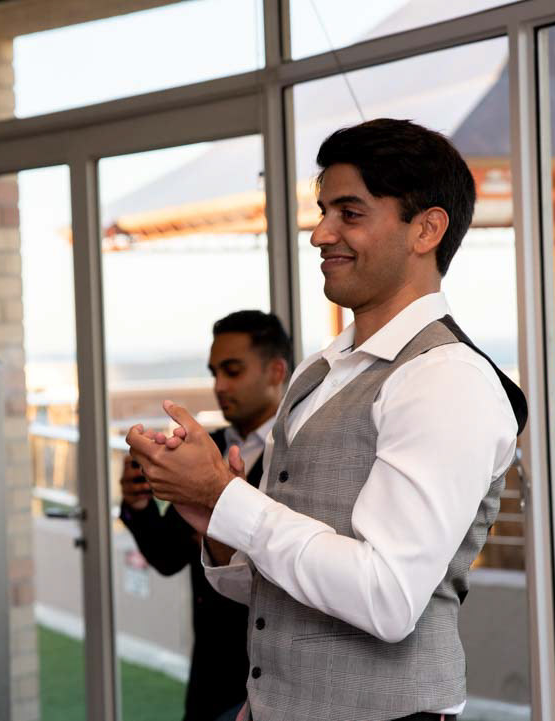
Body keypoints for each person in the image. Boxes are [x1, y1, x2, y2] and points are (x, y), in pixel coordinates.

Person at [127, 118, 528, 721]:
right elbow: (276, 588)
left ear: (426, 229)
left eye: (350, 213)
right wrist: (214, 515)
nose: (320, 234)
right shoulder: (317, 372)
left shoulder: (446, 378)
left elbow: (387, 599)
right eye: (323, 211)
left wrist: (228, 497)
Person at [119, 310, 291, 721]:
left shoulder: (298, 451)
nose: (219, 386)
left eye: (233, 370)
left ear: (276, 371)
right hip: (210, 673)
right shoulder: (203, 448)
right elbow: (167, 555)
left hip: (277, 674)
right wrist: (139, 503)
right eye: (214, 372)